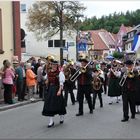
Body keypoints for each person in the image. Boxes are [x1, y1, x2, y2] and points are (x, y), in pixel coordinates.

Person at [42, 60, 66, 128]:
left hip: (57, 89)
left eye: (55, 65)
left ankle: (61, 117)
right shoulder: (49, 73)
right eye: (52, 65)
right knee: (49, 105)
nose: (54, 66)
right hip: (50, 90)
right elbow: (46, 80)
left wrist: (59, 91)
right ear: (51, 65)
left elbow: (61, 83)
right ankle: (51, 121)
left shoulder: (60, 73)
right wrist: (46, 81)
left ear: (57, 66)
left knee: (59, 104)